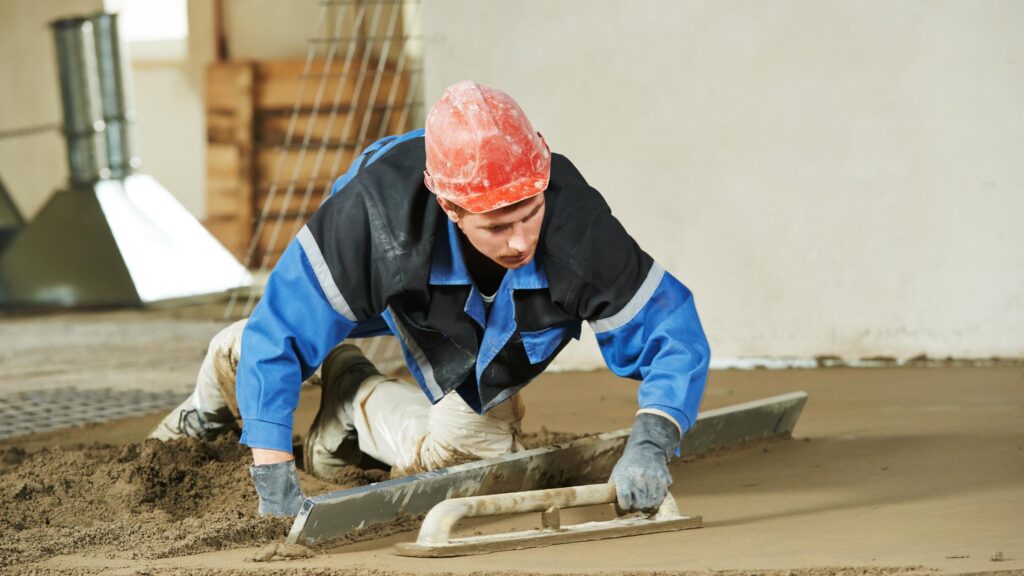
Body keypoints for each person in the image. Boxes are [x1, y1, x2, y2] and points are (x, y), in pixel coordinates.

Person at [151, 80, 710, 517]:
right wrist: (273, 475)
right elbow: (281, 334)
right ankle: (213, 392)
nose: (520, 241)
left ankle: (351, 394)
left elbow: (672, 332)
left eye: (529, 214)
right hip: (386, 291)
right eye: (497, 224)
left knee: (479, 457)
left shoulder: (576, 226)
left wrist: (653, 440)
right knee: (262, 345)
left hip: (474, 324)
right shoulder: (369, 219)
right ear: (451, 207)